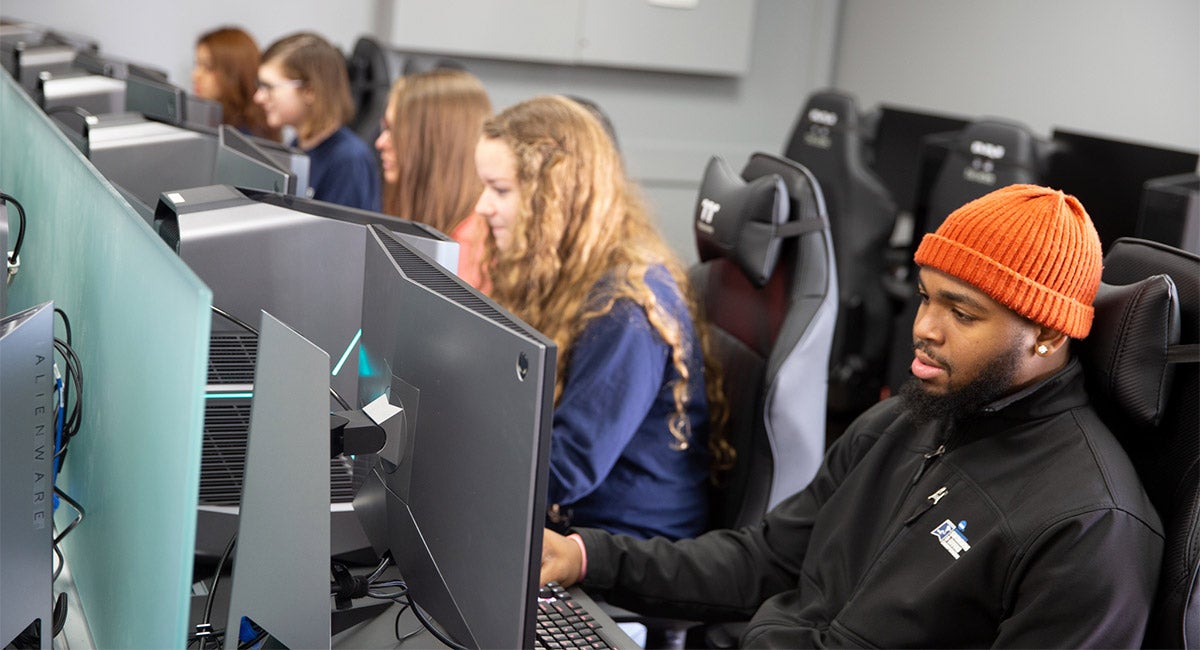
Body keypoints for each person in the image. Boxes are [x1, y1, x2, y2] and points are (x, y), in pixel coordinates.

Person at [540, 184, 1165, 647]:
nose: (924, 329)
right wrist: (588, 557)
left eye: (962, 313)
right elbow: (765, 561)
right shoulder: (905, 422)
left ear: (1049, 335)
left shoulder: (1090, 525)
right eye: (925, 296)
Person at [475, 95, 733, 541]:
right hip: (574, 524)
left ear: (555, 196)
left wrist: (454, 474)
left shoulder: (627, 307)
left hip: (623, 550)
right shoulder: (560, 273)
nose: (483, 205)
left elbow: (567, 463)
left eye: (500, 190)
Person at [376, 68, 492, 292]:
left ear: (433, 144)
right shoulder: (420, 211)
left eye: (394, 131)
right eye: (384, 128)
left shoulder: (473, 247)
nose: (380, 142)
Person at [255, 32, 380, 211]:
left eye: (268, 87)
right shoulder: (298, 144)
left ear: (310, 91)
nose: (258, 97)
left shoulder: (349, 160)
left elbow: (339, 236)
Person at [192, 27, 279, 141]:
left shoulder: (247, 138)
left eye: (208, 67)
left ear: (233, 73)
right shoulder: (215, 124)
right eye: (197, 65)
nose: (195, 75)